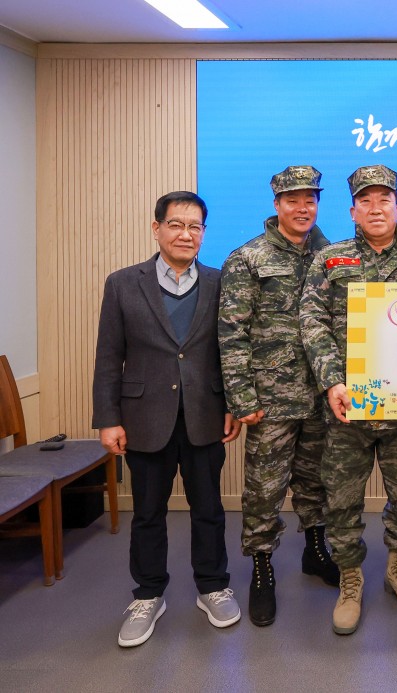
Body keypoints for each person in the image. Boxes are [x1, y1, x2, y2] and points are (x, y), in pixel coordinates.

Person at [93, 191, 242, 647]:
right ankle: (148, 594)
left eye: (195, 226)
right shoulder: (123, 283)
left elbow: (231, 351)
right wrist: (108, 418)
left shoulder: (220, 283)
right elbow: (109, 357)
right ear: (156, 228)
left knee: (209, 509)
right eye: (176, 224)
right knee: (148, 513)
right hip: (143, 418)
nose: (185, 234)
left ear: (204, 234)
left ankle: (212, 586)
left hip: (205, 415)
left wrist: (234, 404)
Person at [300, 164, 397, 635]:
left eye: (384, 200)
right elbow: (312, 322)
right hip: (348, 410)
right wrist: (331, 382)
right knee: (342, 501)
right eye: (366, 200)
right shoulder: (331, 259)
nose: (375, 208)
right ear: (352, 211)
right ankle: (351, 579)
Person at [218, 165, 338, 627]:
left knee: (316, 480)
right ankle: (262, 568)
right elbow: (232, 333)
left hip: (322, 394)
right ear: (276, 204)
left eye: (310, 199)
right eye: (293, 200)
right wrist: (242, 398)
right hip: (271, 399)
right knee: (264, 488)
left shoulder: (332, 255)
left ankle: (315, 551)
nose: (302, 208)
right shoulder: (248, 258)